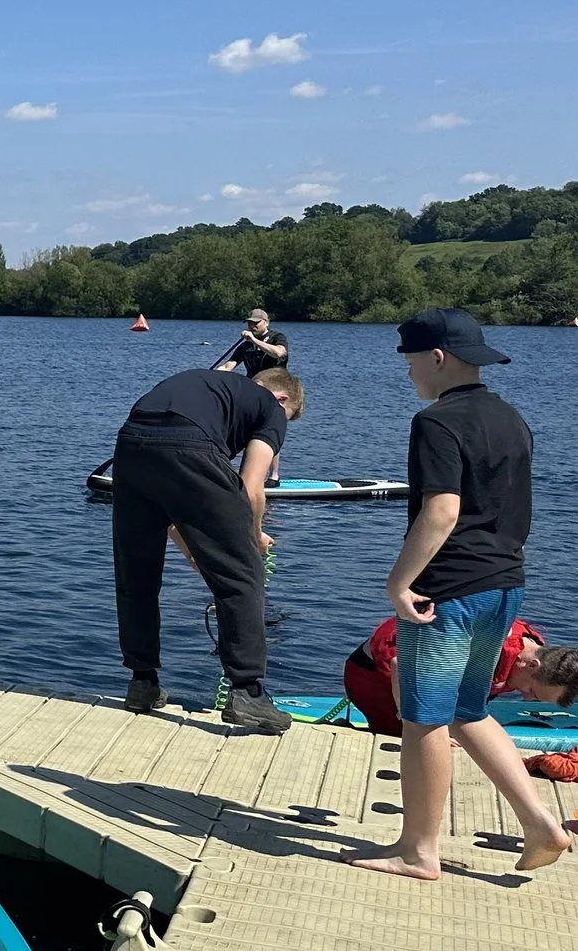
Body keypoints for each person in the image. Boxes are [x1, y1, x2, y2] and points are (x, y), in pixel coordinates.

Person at [353, 307, 569, 879]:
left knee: (423, 717)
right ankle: (541, 824)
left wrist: (400, 582)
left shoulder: (437, 422)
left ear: (438, 358)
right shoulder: (511, 417)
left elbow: (442, 509)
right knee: (469, 711)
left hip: (447, 591)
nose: (408, 372)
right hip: (504, 584)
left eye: (410, 360)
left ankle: (418, 850)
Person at [110, 363, 304, 732]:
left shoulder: (213, 387)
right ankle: (247, 693)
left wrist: (195, 551)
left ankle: (142, 682)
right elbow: (251, 486)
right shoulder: (271, 407)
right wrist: (254, 538)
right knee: (243, 576)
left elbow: (169, 508)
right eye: (289, 419)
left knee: (138, 572)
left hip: (132, 442)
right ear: (282, 399)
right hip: (190, 445)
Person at [340, 614, 578, 736]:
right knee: (405, 740)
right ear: (532, 665)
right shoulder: (484, 647)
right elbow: (400, 665)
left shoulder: (529, 650)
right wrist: (412, 722)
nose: (525, 698)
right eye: (531, 692)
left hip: (426, 679)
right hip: (373, 676)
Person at [215, 308, 291, 378]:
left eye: (256, 322)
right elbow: (227, 367)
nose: (252, 326)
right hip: (253, 384)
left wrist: (254, 340)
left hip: (276, 383)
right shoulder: (245, 346)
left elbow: (279, 353)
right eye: (249, 323)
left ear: (267, 322)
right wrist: (211, 375)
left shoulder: (277, 337)